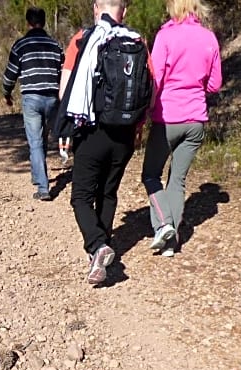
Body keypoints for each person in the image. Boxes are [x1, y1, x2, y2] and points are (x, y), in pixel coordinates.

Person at [58, 0, 151, 286]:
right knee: (108, 194)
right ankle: (99, 253)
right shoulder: (138, 41)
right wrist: (138, 127)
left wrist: (67, 130)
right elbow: (150, 89)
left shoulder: (83, 39)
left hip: (92, 130)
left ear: (97, 8)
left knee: (81, 197)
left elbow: (65, 90)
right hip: (124, 133)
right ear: (125, 11)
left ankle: (98, 247)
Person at [141, 0, 222, 257]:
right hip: (195, 119)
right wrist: (195, 88)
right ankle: (171, 242)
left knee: (151, 175)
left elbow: (156, 79)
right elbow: (215, 84)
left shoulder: (165, 37)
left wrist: (145, 112)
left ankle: (164, 224)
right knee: (177, 179)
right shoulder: (209, 38)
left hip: (168, 118)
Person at [2, 7, 64, 201]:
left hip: (31, 98)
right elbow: (64, 72)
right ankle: (38, 175)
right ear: (44, 22)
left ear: (28, 22)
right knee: (43, 138)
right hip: (52, 98)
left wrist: (7, 93)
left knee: (35, 141)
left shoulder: (21, 45)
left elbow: (10, 74)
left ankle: (43, 188)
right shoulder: (55, 45)